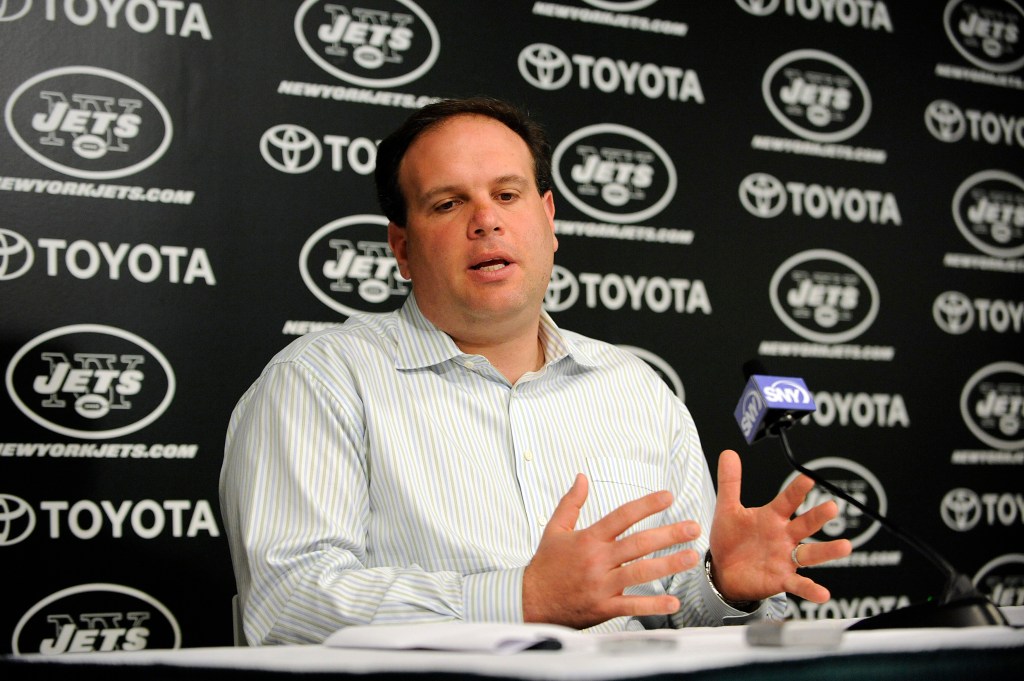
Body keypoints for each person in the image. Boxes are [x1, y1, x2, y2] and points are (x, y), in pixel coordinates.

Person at [219, 96, 852, 645]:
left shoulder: (634, 389)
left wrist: (724, 588)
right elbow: (287, 605)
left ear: (548, 220)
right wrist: (517, 600)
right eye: (447, 204)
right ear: (402, 249)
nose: (485, 219)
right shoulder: (322, 381)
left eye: (506, 194)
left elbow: (673, 613)